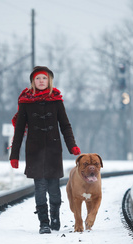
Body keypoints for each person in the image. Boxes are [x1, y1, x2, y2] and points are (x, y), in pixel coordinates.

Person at [10, 66, 81, 234]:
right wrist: (14, 155)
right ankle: (44, 223)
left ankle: (55, 216)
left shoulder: (56, 101)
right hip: (34, 151)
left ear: (49, 81)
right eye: (38, 78)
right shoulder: (25, 102)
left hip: (53, 150)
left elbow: (65, 125)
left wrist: (72, 145)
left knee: (54, 189)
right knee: (40, 187)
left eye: (44, 78)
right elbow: (19, 130)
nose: (41, 81)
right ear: (32, 82)